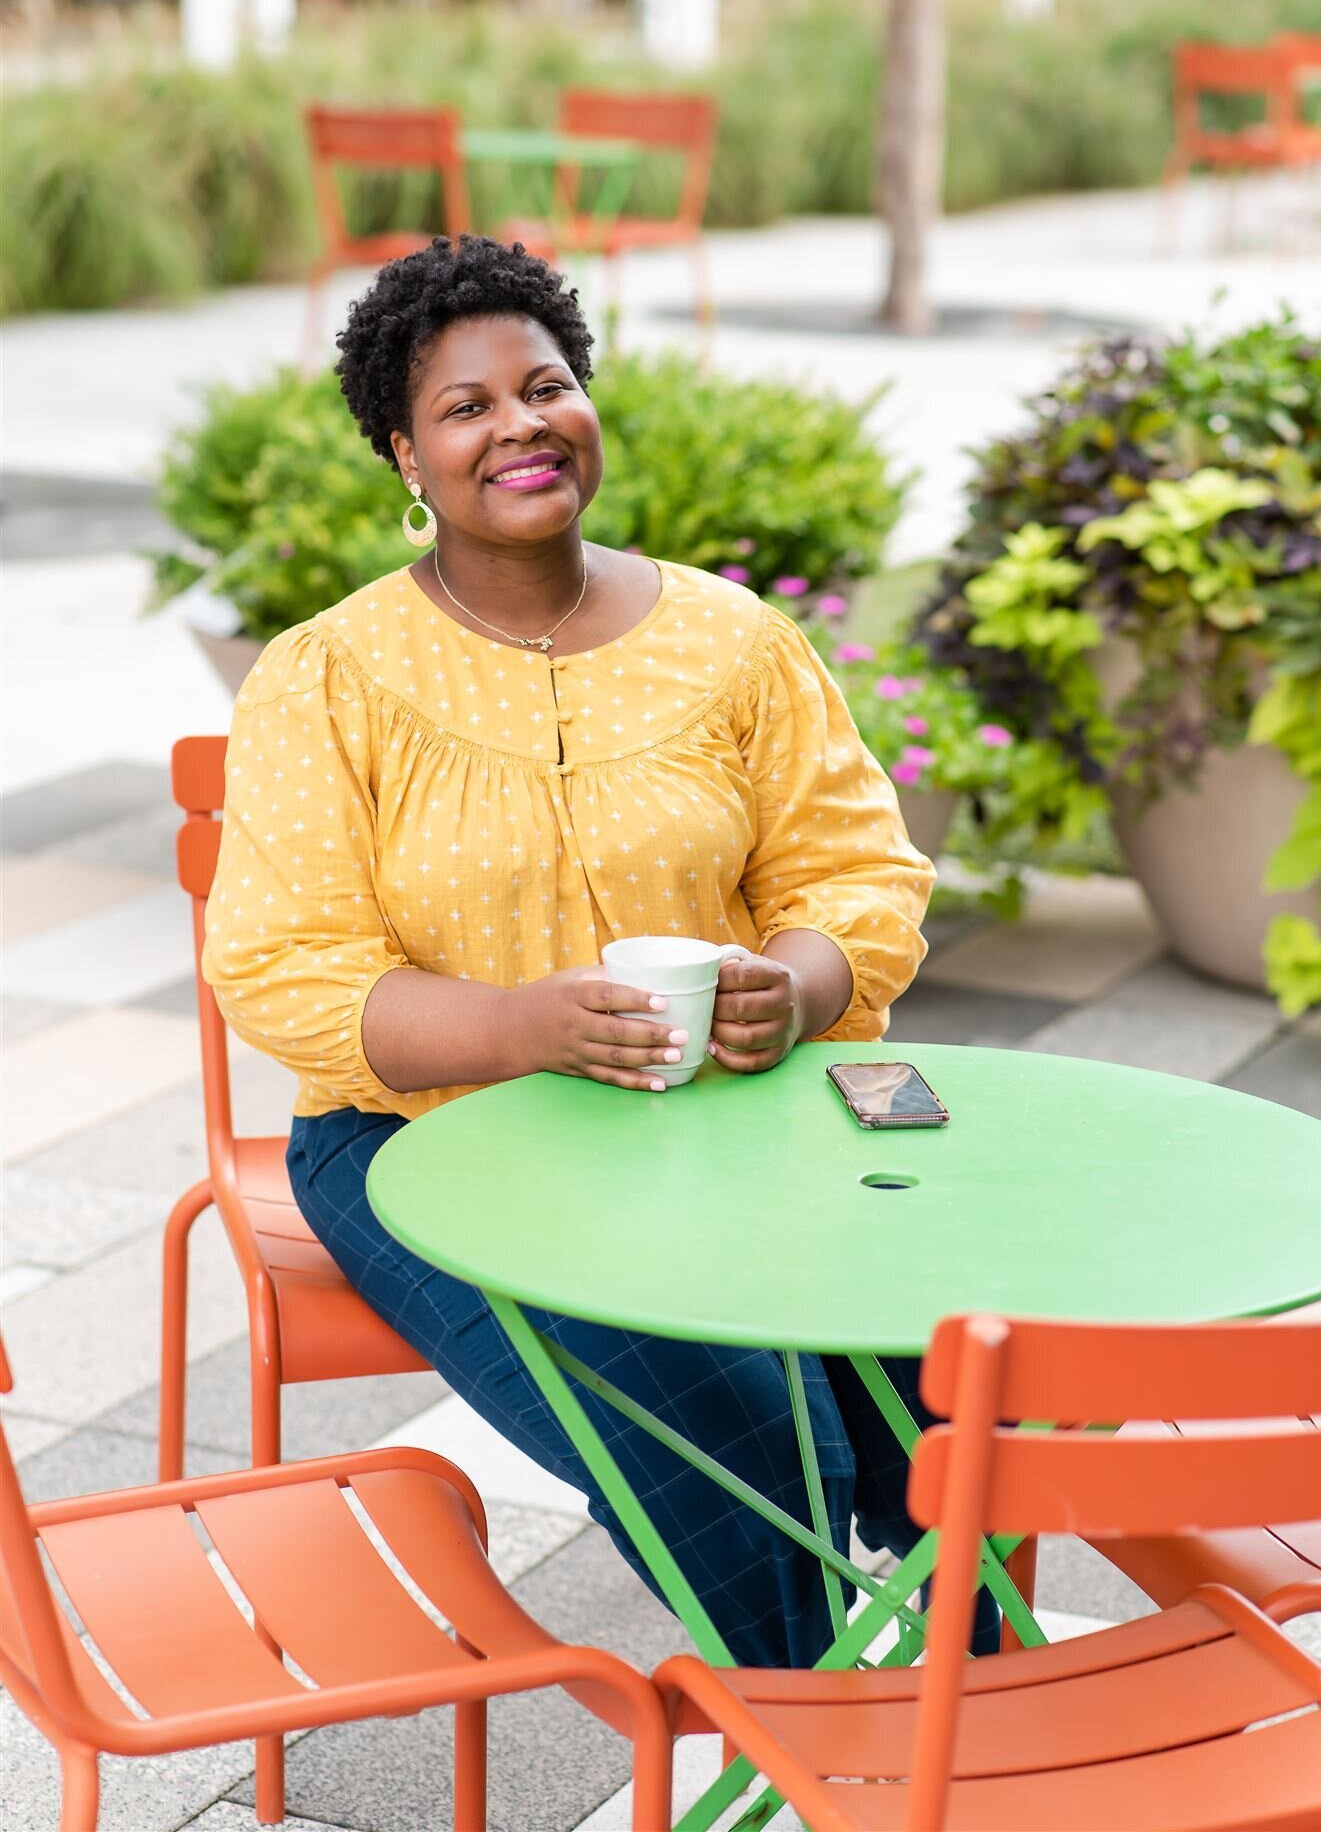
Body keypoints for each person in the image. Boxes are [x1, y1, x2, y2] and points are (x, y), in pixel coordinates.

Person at [203, 234, 996, 1665]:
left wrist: (798, 987)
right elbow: (284, 965)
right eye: (465, 406)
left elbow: (855, 868)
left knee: (946, 1363)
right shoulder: (328, 677)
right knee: (749, 1424)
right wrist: (525, 1027)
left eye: (547, 385)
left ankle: (977, 1707)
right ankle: (812, 1719)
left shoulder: (731, 640)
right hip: (428, 1137)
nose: (519, 423)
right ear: (405, 455)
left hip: (729, 1115)